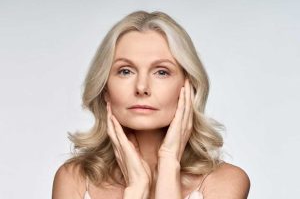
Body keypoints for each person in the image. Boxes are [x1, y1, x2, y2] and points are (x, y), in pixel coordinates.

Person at [52, 10, 250, 199]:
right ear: (105, 88)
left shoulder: (225, 181)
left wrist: (169, 164)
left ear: (188, 86)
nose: (141, 87)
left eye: (161, 72)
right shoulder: (74, 178)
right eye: (125, 71)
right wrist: (136, 188)